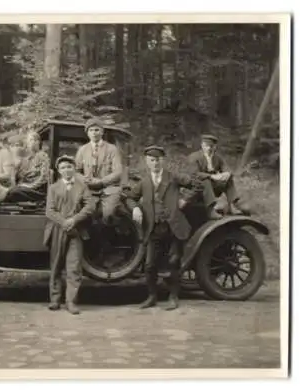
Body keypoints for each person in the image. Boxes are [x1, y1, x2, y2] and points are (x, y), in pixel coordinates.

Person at [123, 146, 202, 311]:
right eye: (152, 160)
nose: (155, 163)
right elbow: (130, 197)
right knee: (150, 265)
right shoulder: (144, 182)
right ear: (147, 162)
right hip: (153, 227)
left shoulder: (173, 177)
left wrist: (185, 200)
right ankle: (152, 297)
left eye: (158, 159)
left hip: (174, 226)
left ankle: (173, 297)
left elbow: (197, 184)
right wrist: (135, 208)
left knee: (174, 261)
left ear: (163, 161)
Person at [44, 155, 96, 315]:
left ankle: (71, 301)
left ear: (74, 169)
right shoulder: (53, 188)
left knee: (73, 267)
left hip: (76, 231)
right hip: (58, 230)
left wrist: (74, 219)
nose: (67, 170)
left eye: (69, 167)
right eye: (63, 168)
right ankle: (54, 299)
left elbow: (90, 206)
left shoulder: (82, 187)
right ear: (59, 171)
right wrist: (64, 222)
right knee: (56, 265)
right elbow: (50, 210)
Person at [75, 118, 123, 225]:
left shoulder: (112, 149)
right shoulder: (82, 150)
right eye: (91, 130)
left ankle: (110, 236)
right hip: (88, 189)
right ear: (87, 133)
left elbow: (118, 172)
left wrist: (101, 181)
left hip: (109, 189)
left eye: (97, 130)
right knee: (80, 211)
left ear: (102, 131)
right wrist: (85, 180)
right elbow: (76, 171)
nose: (94, 133)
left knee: (108, 213)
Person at [187, 134, 249, 216]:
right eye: (206, 146)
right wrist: (212, 176)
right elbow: (194, 174)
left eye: (211, 146)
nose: (209, 148)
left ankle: (232, 205)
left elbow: (226, 168)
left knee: (228, 179)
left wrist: (227, 173)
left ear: (214, 147)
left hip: (213, 185)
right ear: (202, 145)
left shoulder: (217, 158)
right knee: (206, 180)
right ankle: (211, 210)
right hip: (197, 186)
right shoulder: (194, 157)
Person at [6, 131, 50, 202]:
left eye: (34, 140)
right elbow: (21, 177)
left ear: (38, 142)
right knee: (8, 191)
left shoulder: (43, 156)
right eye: (29, 140)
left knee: (13, 192)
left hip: (38, 190)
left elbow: (44, 178)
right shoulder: (27, 159)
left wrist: (29, 186)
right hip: (25, 188)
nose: (31, 143)